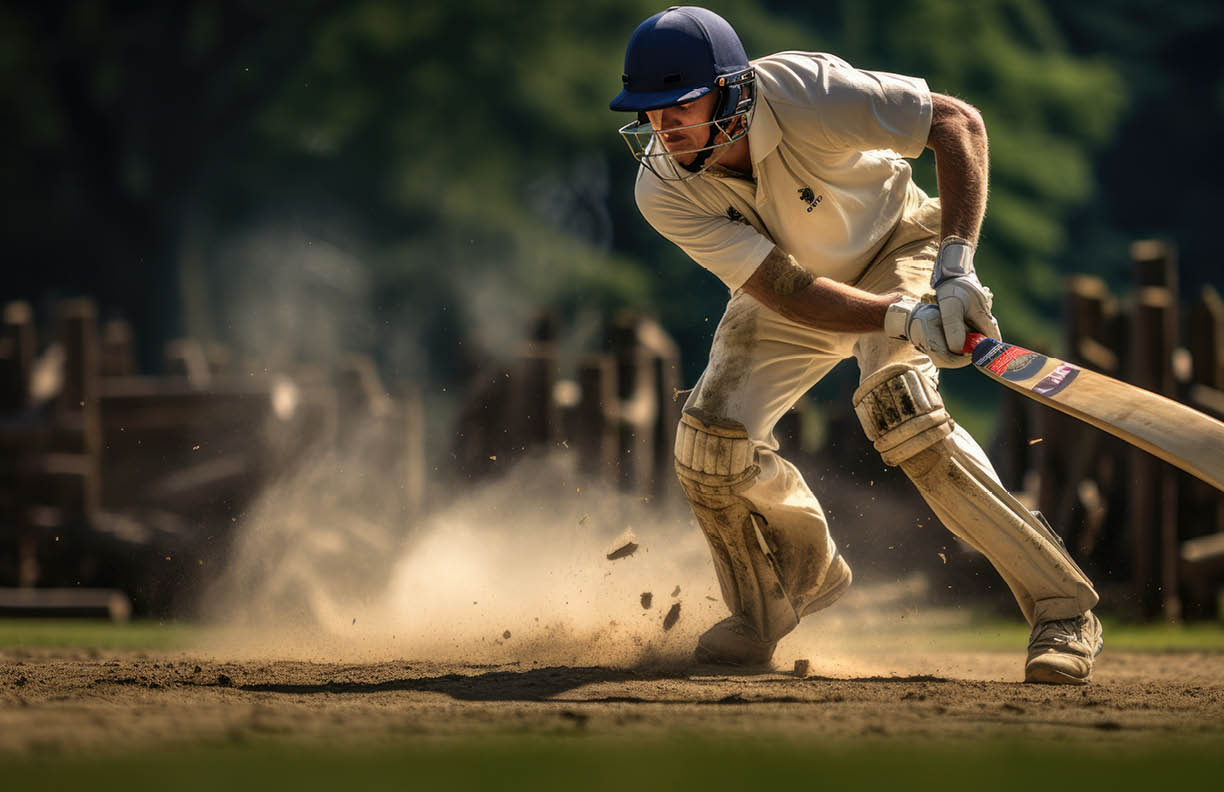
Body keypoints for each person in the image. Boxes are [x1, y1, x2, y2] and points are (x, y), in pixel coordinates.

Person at [609, 6, 1102, 684]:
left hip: (901, 241)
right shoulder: (661, 188)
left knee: (901, 409)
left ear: (729, 90)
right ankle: (779, 595)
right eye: (651, 112)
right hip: (796, 284)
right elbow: (783, 287)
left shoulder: (805, 90)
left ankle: (1063, 610)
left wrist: (956, 267)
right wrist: (901, 320)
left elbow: (955, 123)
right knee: (708, 445)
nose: (663, 128)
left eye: (678, 108)